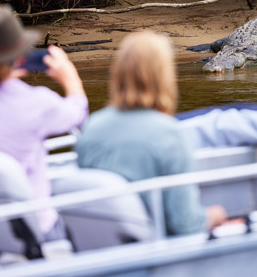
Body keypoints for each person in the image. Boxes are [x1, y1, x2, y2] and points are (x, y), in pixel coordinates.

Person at [0, 4, 88, 240]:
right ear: (20, 57)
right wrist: (70, 78)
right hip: (32, 226)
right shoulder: (37, 102)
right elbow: (78, 113)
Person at [75, 31, 229, 236]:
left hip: (102, 245)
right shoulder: (170, 134)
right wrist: (215, 215)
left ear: (118, 73)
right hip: (154, 251)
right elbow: (185, 224)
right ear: (164, 77)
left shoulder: (92, 126)